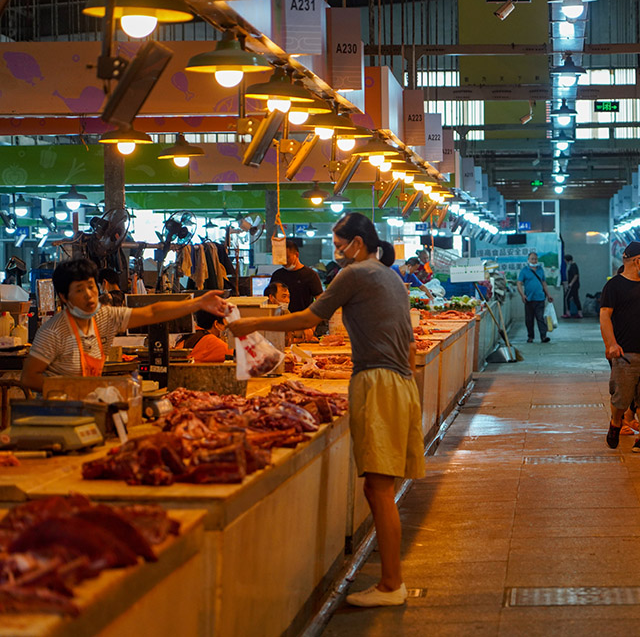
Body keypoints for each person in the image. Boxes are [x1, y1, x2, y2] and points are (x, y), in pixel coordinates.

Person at [228, 212, 423, 608]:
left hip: (378, 381)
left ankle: (392, 584)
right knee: (380, 486)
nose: (336, 251)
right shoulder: (391, 275)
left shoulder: (353, 274)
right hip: (402, 383)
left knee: (380, 488)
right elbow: (410, 346)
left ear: (358, 241)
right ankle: (391, 580)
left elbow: (308, 317)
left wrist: (247, 325)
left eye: (339, 244)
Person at [21, 258, 227, 391]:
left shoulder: (104, 317)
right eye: (79, 290)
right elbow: (29, 378)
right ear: (64, 297)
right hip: (58, 414)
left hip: (92, 407)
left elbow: (153, 312)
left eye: (91, 287)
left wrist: (198, 303)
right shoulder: (53, 332)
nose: (89, 296)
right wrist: (71, 389)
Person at [600, 241, 640, 454]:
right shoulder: (614, 286)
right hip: (626, 353)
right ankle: (616, 421)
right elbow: (605, 316)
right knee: (621, 398)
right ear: (637, 261)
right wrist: (611, 344)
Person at [268, 238, 323, 314]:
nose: (284, 262)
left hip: (303, 320)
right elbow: (269, 299)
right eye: (282, 258)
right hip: (280, 320)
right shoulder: (277, 275)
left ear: (296, 255)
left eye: (287, 257)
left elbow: (319, 299)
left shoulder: (310, 275)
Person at [516, 252, 553, 343]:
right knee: (529, 319)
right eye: (532, 259)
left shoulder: (540, 270)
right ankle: (530, 336)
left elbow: (544, 283)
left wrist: (548, 295)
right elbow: (519, 283)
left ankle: (543, 336)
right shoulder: (524, 270)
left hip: (540, 298)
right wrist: (522, 295)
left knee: (540, 318)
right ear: (528, 260)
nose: (534, 260)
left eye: (535, 259)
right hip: (529, 299)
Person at [562, 254, 582, 319]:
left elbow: (575, 275)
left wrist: (570, 284)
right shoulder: (572, 265)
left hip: (573, 285)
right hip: (575, 285)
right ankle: (579, 313)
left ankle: (568, 313)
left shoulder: (573, 266)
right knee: (575, 298)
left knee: (566, 298)